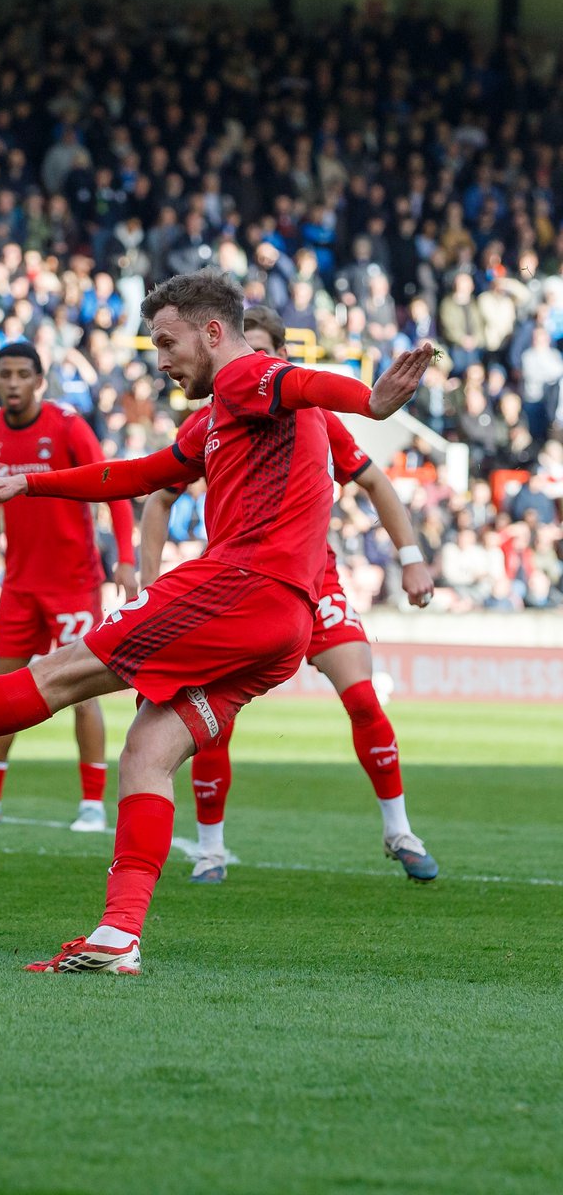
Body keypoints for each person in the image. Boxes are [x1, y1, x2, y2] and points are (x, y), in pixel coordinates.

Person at [0, 270, 433, 974]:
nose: (160, 361)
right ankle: (119, 935)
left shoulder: (245, 373)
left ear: (212, 331)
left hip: (241, 586)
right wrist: (28, 483)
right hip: (285, 625)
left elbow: (302, 381)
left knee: (58, 674)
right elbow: (137, 475)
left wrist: (370, 401)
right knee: (148, 753)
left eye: (167, 342)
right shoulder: (216, 417)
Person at [138, 305, 438, 883]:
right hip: (237, 585)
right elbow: (159, 495)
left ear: (281, 356)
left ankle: (399, 830)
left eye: (263, 352)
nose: (252, 364)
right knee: (210, 718)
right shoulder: (214, 419)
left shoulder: (312, 412)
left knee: (363, 698)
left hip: (314, 580)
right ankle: (210, 849)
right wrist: (147, 585)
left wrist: (411, 558)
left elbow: (374, 481)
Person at [0, 342, 137, 834]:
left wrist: (125, 561)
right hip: (18, 587)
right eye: (6, 374)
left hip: (74, 584)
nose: (14, 383)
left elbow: (115, 488)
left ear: (40, 381)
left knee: (82, 693)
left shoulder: (68, 427)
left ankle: (92, 804)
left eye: (24, 374)